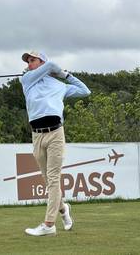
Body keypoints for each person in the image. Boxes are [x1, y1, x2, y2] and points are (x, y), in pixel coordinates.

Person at [20, 51, 91, 236]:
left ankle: (49, 224)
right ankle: (63, 210)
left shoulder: (60, 86)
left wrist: (66, 76)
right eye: (28, 61)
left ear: (42, 61)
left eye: (33, 60)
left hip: (56, 133)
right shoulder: (27, 80)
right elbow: (51, 67)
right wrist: (56, 71)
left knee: (52, 179)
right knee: (48, 180)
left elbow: (85, 91)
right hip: (37, 135)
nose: (29, 64)